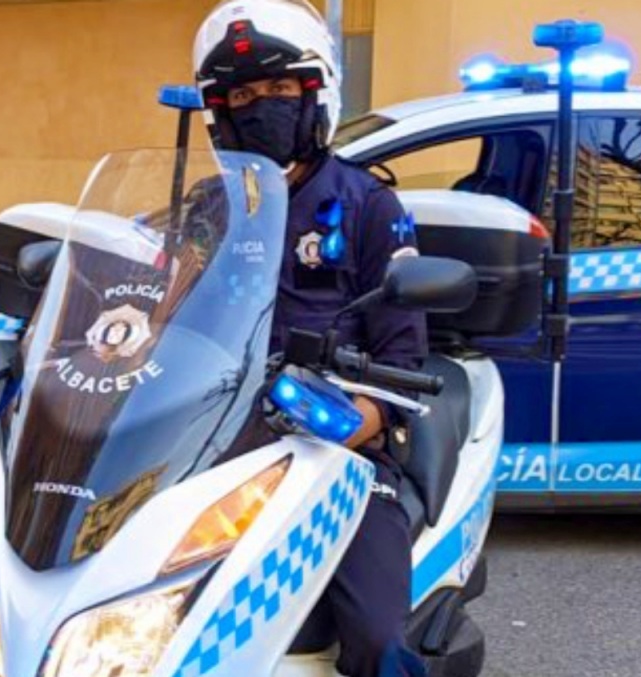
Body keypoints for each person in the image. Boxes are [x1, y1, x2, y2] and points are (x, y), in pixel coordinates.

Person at [193, 1, 429, 675]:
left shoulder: (369, 206)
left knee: (377, 639)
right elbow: (160, 317)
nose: (260, 106)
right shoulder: (206, 210)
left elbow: (403, 364)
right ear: (220, 114)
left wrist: (348, 425)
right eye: (243, 96)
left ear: (314, 96)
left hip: (337, 454)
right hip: (213, 443)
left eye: (279, 88)